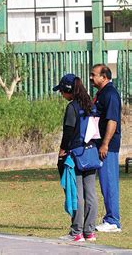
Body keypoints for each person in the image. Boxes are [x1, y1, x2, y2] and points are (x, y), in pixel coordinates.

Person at [54, 73, 98, 242]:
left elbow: (68, 132)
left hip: (75, 155)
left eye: (61, 91)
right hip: (91, 153)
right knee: (91, 193)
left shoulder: (72, 107)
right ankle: (89, 231)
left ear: (68, 90)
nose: (61, 94)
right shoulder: (90, 105)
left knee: (76, 193)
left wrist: (62, 151)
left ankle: (76, 232)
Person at [89, 64, 122, 233]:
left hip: (107, 146)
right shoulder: (101, 94)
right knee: (104, 182)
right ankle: (110, 218)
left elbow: (112, 121)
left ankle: (113, 221)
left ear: (104, 77)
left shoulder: (110, 94)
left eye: (93, 75)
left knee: (109, 182)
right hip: (100, 144)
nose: (91, 78)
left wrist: (105, 144)